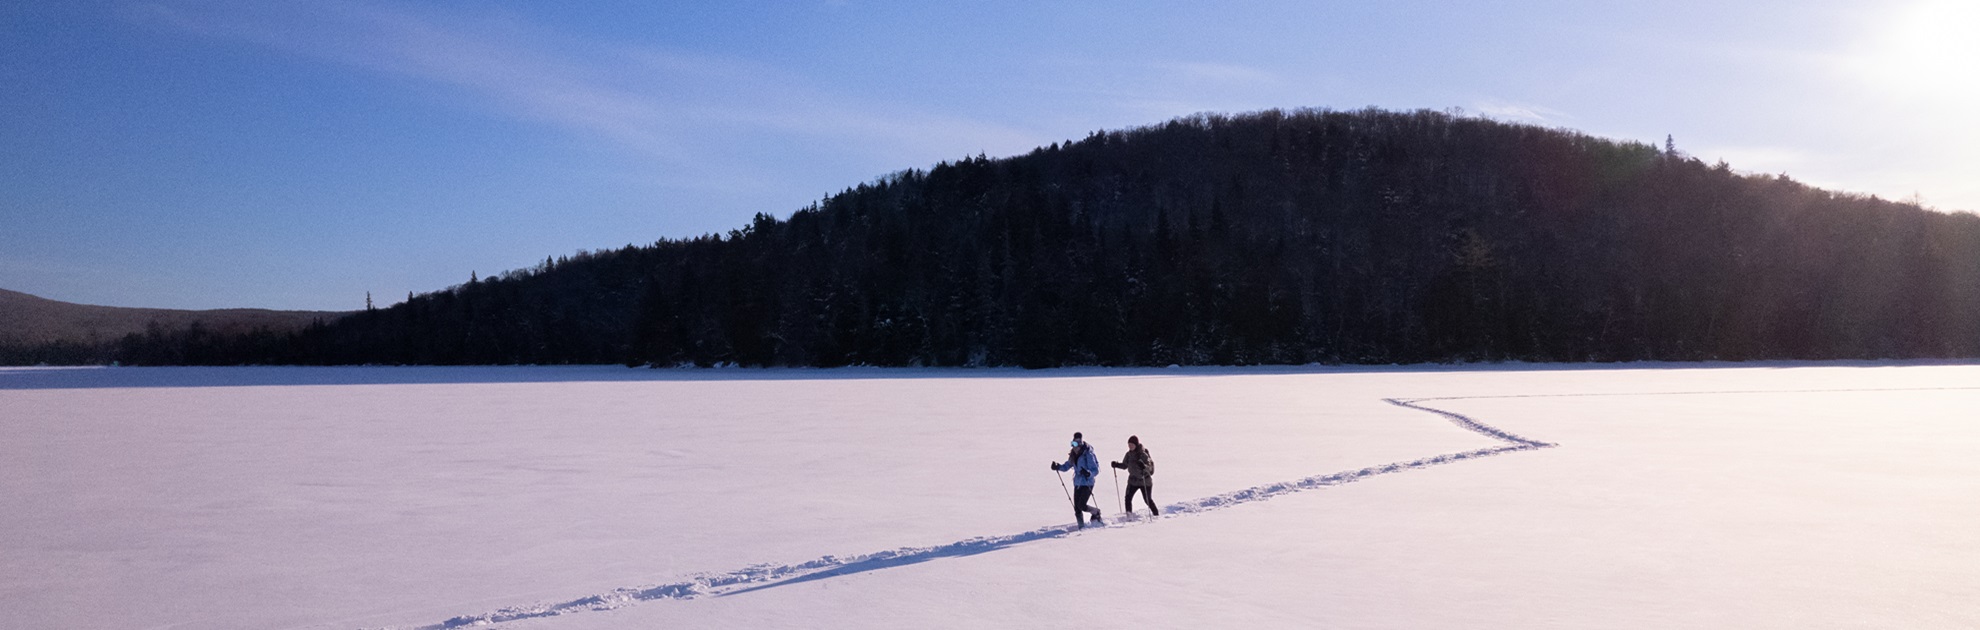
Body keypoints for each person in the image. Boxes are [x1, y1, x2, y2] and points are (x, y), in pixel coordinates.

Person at [1052, 432, 1105, 527]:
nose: (1074, 447)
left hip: (1087, 483)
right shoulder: (1073, 454)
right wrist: (1058, 467)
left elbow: (1095, 470)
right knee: (1077, 508)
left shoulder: (1088, 454)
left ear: (1080, 444)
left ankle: (1096, 512)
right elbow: (1067, 465)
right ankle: (1081, 527)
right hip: (1078, 483)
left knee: (1081, 505)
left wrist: (1088, 473)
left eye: (1076, 444)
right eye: (1072, 444)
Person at [1111, 435, 1158, 516]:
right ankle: (1129, 515)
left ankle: (1156, 514)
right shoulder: (1128, 454)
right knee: (1128, 498)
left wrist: (1144, 466)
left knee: (1148, 500)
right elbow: (1125, 465)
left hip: (1145, 481)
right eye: (1129, 445)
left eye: (1131, 445)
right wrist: (1116, 465)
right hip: (1133, 480)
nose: (1130, 446)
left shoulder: (1143, 454)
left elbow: (1150, 469)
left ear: (1136, 445)